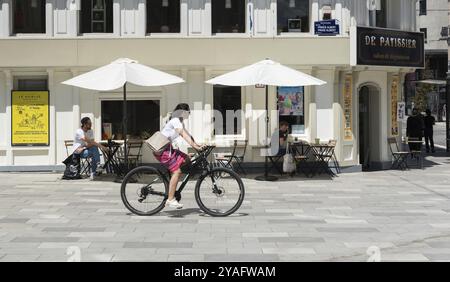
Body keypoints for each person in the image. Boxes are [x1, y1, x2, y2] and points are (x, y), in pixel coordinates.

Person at [154, 103, 204, 209]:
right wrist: (195, 146)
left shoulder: (179, 122)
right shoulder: (175, 121)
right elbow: (183, 135)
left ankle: (173, 181)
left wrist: (197, 145)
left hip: (169, 149)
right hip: (162, 150)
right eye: (188, 112)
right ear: (182, 112)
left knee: (186, 158)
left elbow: (188, 135)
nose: (189, 114)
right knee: (177, 171)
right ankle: (170, 199)